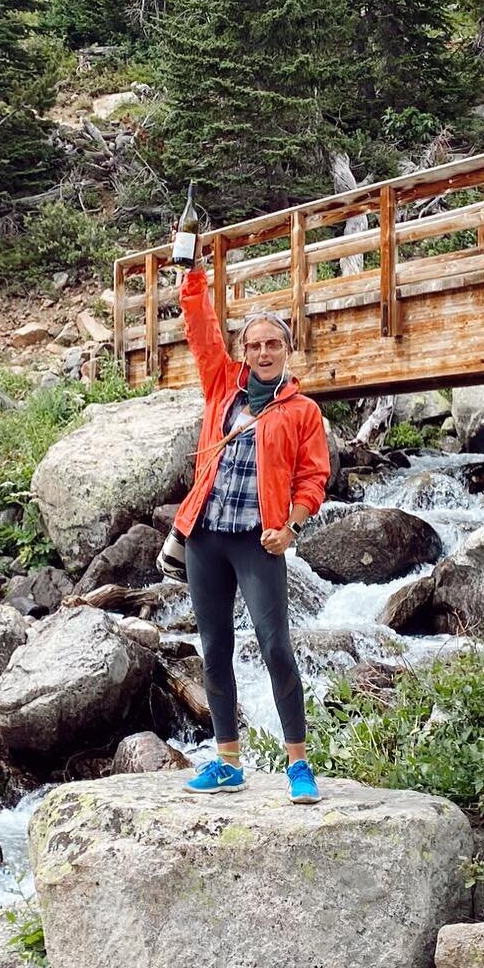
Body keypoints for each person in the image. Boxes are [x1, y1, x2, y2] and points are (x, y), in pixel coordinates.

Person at [171, 249, 330, 803]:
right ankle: (227, 761)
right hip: (206, 536)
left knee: (274, 644)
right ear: (244, 351)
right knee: (213, 646)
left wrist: (292, 526)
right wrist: (192, 274)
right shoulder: (221, 387)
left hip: (259, 541)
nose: (263, 352)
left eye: (273, 344)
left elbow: (314, 479)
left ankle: (298, 765)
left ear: (287, 351)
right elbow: (201, 329)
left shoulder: (302, 411)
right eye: (255, 344)